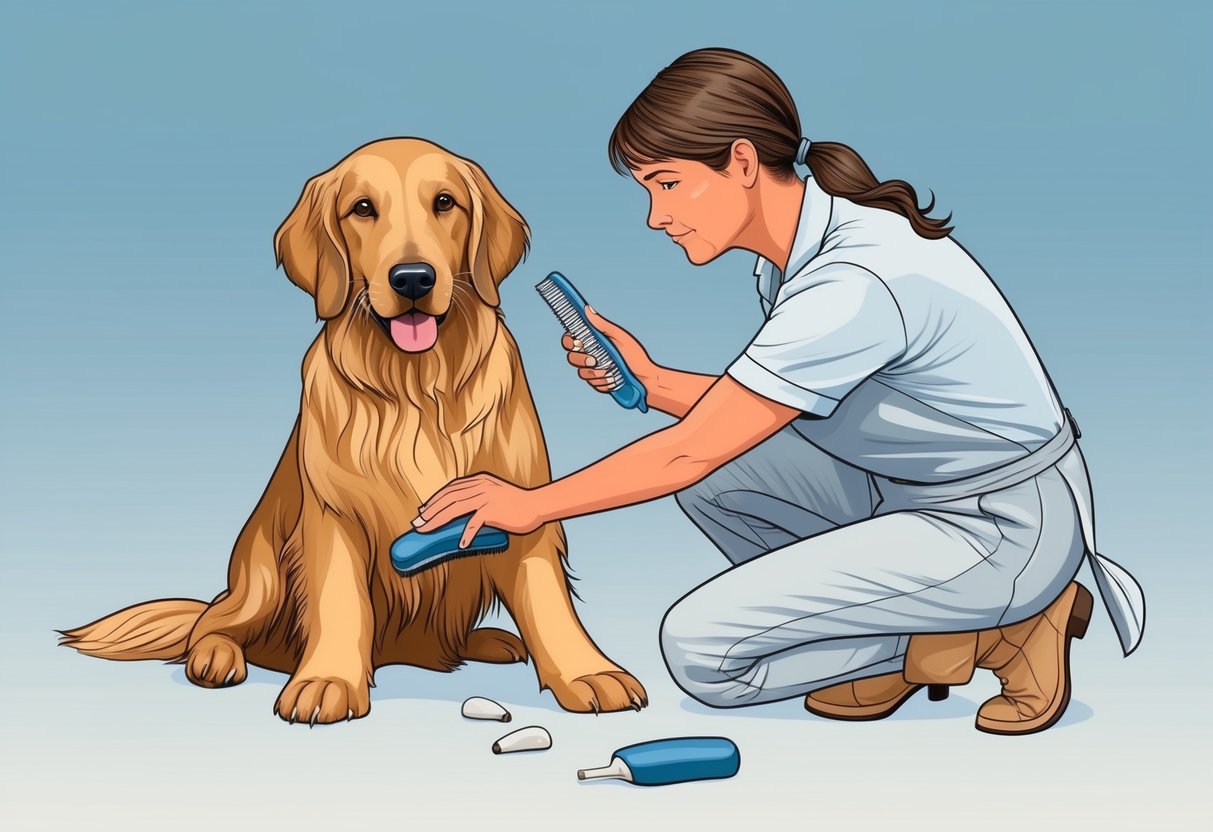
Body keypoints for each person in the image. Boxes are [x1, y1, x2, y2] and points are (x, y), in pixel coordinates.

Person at [412, 47, 1145, 735]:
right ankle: (917, 625)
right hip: (907, 491)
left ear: (739, 161)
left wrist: (529, 503)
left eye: (665, 183)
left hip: (1000, 523)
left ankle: (995, 627)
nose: (655, 216)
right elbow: (767, 415)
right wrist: (653, 383)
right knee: (720, 483)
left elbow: (688, 453)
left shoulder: (852, 280)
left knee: (704, 653)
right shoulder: (800, 250)